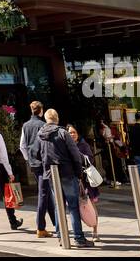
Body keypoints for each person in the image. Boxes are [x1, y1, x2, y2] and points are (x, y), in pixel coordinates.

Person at [37, 110, 93, 247]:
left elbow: (37, 154)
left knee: (58, 207)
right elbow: (75, 154)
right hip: (67, 173)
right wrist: (79, 173)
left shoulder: (40, 135)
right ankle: (79, 239)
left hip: (51, 175)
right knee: (73, 206)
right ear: (57, 118)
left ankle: (62, 238)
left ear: (46, 119)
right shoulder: (63, 133)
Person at [20, 101, 46, 218]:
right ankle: (40, 224)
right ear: (41, 111)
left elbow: (22, 145)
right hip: (43, 161)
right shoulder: (43, 125)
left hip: (33, 163)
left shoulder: (25, 125)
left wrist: (28, 159)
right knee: (44, 192)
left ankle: (56, 223)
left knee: (45, 191)